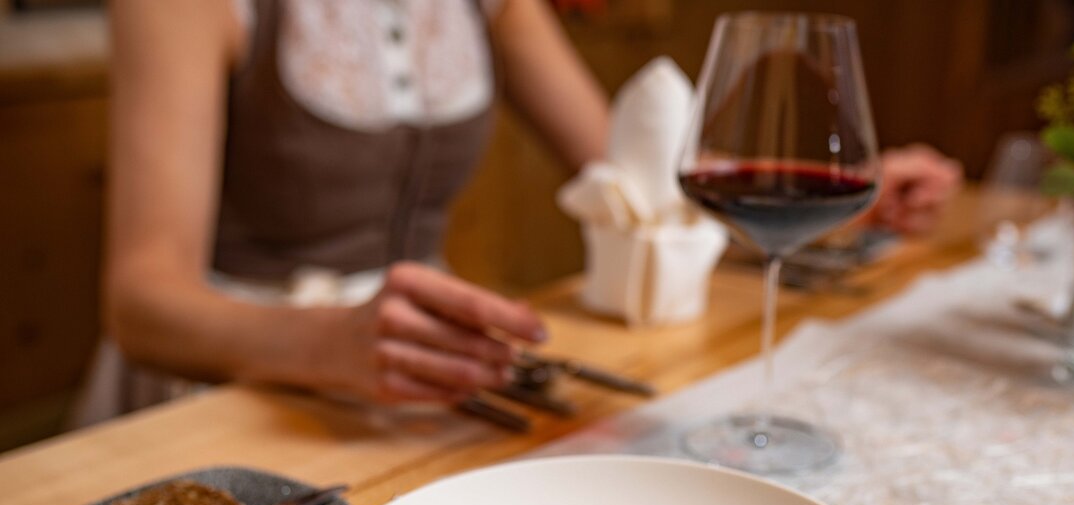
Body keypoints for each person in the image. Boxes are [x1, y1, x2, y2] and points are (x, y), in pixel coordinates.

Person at [86, 0, 962, 424]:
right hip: (235, 377)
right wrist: (326, 341)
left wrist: (833, 198)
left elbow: (643, 184)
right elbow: (140, 301)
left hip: (425, 371)